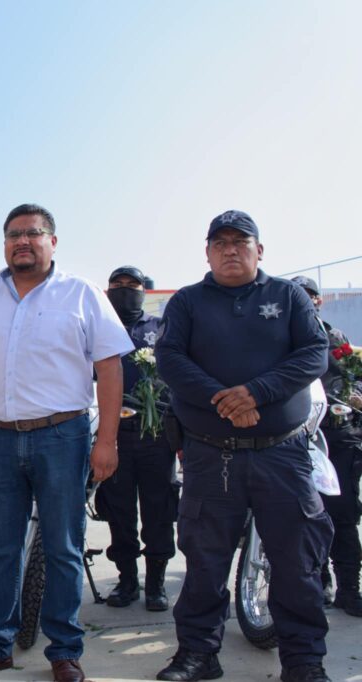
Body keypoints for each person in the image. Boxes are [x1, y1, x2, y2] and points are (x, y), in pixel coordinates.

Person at [0, 204, 132, 682]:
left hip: (63, 437)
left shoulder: (82, 293)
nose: (21, 241)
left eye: (33, 232)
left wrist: (107, 440)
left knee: (64, 548)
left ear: (53, 240)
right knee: (1, 548)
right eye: (13, 235)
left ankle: (65, 650)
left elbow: (110, 367)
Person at [154, 211, 332, 682]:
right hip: (212, 454)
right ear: (207, 252)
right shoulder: (188, 302)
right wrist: (225, 400)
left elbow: (314, 353)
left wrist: (256, 393)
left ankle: (303, 661)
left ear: (259, 250)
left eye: (240, 241)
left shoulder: (288, 296)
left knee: (296, 563)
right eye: (220, 243)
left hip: (282, 453)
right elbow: (169, 359)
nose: (230, 250)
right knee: (205, 562)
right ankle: (198, 655)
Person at [94, 266, 178, 611]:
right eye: (118, 284)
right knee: (119, 509)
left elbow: (177, 374)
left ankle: (156, 582)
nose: (125, 289)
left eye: (133, 284)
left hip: (155, 433)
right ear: (107, 290)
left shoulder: (161, 328)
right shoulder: (98, 327)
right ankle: (127, 580)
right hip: (113, 433)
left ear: (145, 291)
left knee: (159, 509)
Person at [291, 275, 362, 617]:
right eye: (298, 295)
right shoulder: (280, 337)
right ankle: (319, 583)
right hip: (296, 437)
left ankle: (350, 588)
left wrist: (355, 395)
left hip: (338, 435)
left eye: (310, 295)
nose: (306, 300)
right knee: (307, 516)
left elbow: (353, 378)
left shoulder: (336, 337)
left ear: (319, 300)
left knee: (344, 514)